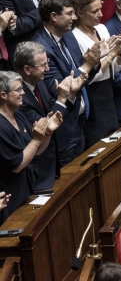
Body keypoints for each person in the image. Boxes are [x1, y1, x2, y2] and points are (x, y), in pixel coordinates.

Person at [31, 0, 101, 166]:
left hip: (83, 119)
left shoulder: (68, 36)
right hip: (65, 127)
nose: (75, 17)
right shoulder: (41, 48)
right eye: (69, 13)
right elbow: (59, 88)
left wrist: (95, 61)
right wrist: (87, 65)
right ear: (54, 16)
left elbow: (84, 73)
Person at [14, 41, 84, 191]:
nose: (48, 68)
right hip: (36, 170)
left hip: (51, 164)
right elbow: (44, 123)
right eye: (42, 65)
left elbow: (54, 106)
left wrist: (71, 94)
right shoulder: (18, 97)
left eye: (48, 62)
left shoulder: (39, 82)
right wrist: (62, 98)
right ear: (27, 69)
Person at [67, 0, 121, 147]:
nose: (100, 14)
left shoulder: (102, 29)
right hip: (93, 101)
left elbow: (114, 69)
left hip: (110, 96)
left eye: (100, 9)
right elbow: (89, 75)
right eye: (94, 11)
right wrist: (112, 55)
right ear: (80, 13)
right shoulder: (74, 38)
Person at [0, 71, 63, 223]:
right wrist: (37, 138)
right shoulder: (1, 126)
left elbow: (35, 151)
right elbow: (17, 165)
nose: (23, 93)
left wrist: (47, 132)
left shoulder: (18, 115)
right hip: (8, 197)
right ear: (3, 95)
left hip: (26, 188)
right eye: (18, 90)